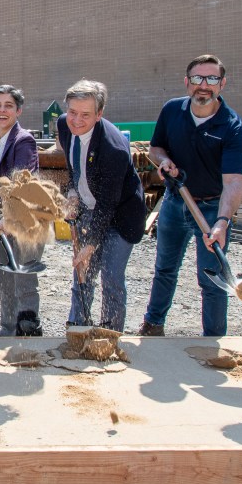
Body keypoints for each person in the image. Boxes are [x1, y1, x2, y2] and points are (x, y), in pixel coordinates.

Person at [140, 55, 242, 337]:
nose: (204, 85)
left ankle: (213, 340)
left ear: (222, 83)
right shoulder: (172, 110)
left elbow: (234, 182)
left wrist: (223, 222)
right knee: (164, 269)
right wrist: (163, 162)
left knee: (212, 279)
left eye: (212, 79)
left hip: (213, 207)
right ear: (187, 82)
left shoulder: (232, 127)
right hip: (176, 202)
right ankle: (153, 326)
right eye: (198, 78)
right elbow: (155, 149)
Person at [57, 80, 147, 333]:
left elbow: (108, 205)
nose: (76, 120)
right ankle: (78, 327)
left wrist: (90, 244)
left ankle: (110, 334)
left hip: (120, 215)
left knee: (111, 279)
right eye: (72, 112)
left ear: (99, 114)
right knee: (82, 272)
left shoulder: (113, 148)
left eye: (85, 114)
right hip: (89, 207)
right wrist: (73, 193)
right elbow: (74, 165)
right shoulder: (64, 125)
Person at [0, 85, 42, 336]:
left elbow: (21, 182)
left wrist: (9, 216)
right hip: (3, 218)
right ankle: (7, 330)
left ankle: (28, 331)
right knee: (4, 276)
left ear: (19, 111)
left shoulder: (23, 140)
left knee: (23, 277)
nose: (2, 110)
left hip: (25, 218)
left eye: (8, 106)